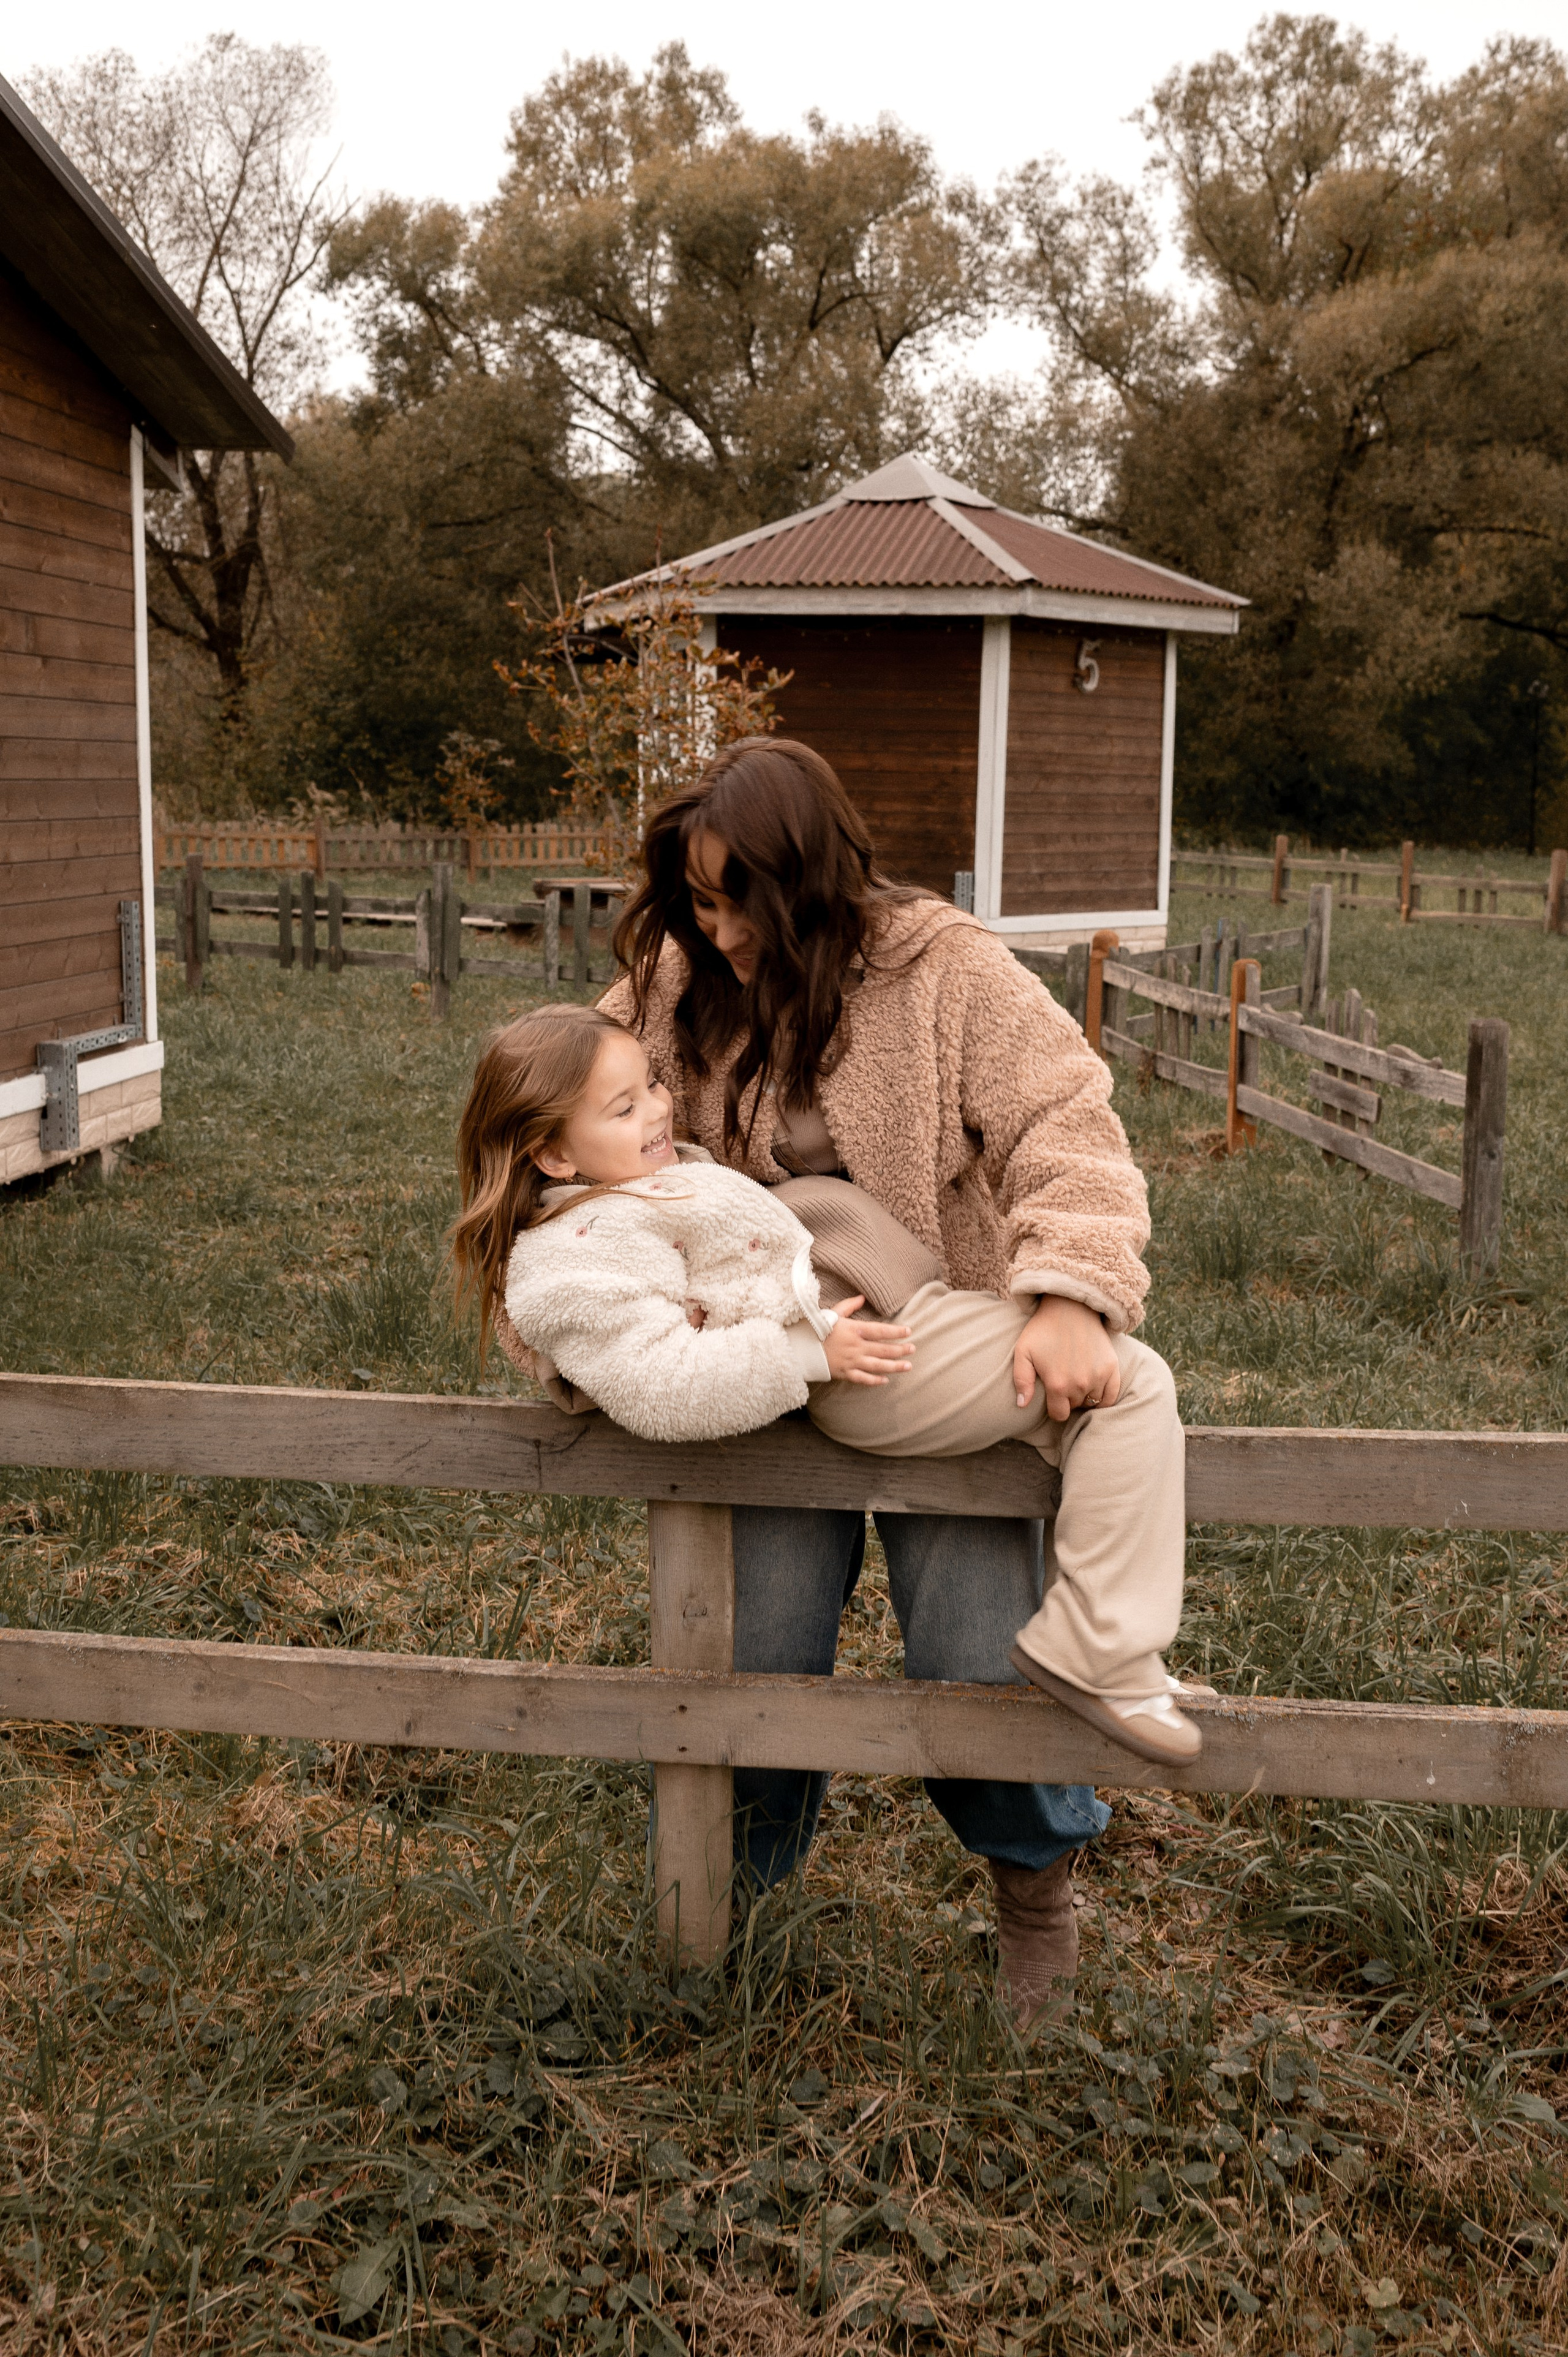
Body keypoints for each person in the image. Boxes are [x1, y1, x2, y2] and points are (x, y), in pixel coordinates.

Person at [451, 1004, 1200, 1778]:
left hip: (892, 1323)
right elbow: (660, 1382)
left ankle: (1098, 1633)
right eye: (625, 1106)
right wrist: (801, 1352)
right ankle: (1100, 1644)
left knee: (1077, 1404)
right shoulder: (573, 1257)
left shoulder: (620, 1191)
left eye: (652, 1085)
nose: (659, 1108)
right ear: (552, 1154)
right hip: (875, 1356)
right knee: (1130, 1382)